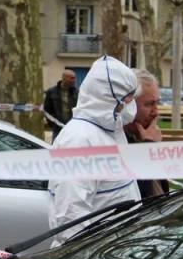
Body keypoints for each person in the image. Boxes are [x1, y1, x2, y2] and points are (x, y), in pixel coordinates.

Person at [48, 55, 141, 246]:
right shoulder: (79, 140)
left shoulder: (109, 132)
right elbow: (70, 217)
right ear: (107, 98)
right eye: (127, 100)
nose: (131, 106)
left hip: (112, 251)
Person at [124, 69, 168, 199]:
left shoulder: (140, 137)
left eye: (157, 103)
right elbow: (141, 195)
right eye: (149, 104)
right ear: (129, 106)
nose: (156, 112)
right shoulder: (116, 141)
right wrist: (149, 147)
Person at [43, 67, 79, 139]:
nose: (74, 80)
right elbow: (47, 109)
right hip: (58, 128)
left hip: (73, 127)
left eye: (74, 78)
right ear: (64, 78)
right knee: (57, 148)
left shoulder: (77, 92)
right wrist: (53, 124)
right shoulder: (51, 91)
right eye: (71, 78)